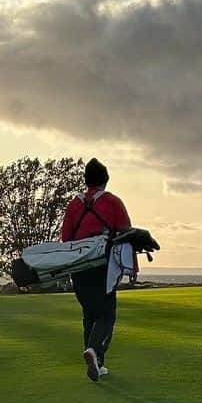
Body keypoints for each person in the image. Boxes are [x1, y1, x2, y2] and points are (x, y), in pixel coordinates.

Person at [61, 158, 135, 383]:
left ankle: (95, 361)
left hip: (80, 265)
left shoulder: (74, 205)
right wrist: (132, 267)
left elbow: (66, 238)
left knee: (89, 313)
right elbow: (126, 235)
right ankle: (94, 352)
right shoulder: (113, 202)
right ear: (106, 180)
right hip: (104, 265)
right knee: (106, 314)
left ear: (85, 180)